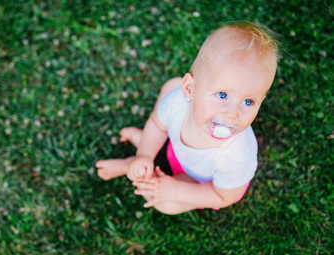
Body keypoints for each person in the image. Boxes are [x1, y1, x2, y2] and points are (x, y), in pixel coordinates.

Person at [95, 21, 279, 215]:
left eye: (248, 102)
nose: (232, 114)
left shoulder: (236, 156)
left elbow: (224, 196)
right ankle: (142, 157)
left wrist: (174, 190)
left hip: (201, 183)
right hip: (177, 153)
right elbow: (157, 125)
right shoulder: (178, 103)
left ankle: (131, 164)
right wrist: (144, 155)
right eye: (222, 95)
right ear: (190, 89)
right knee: (171, 87)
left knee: (166, 203)